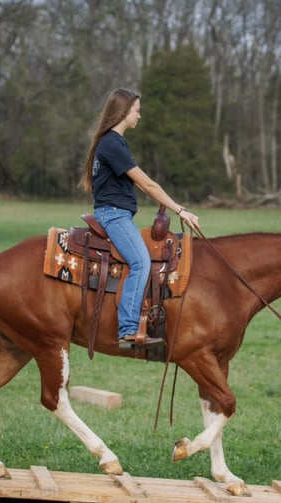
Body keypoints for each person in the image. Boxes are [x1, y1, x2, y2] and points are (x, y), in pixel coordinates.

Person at [79, 88, 200, 350]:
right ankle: (128, 330)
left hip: (117, 213)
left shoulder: (113, 142)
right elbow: (147, 184)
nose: (140, 115)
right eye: (136, 110)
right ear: (123, 112)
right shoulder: (112, 143)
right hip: (113, 215)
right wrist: (180, 210)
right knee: (141, 261)